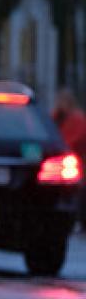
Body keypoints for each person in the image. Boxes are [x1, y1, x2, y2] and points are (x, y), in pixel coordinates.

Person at [52, 88, 86, 229]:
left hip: (74, 160)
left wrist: (63, 147)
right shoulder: (56, 117)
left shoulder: (77, 119)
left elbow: (78, 139)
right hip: (58, 160)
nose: (61, 104)